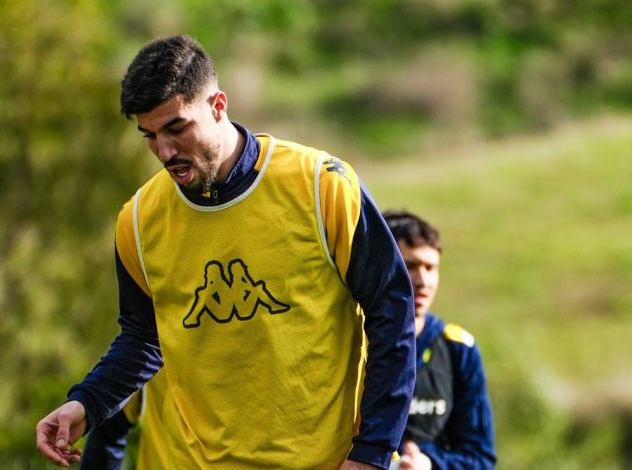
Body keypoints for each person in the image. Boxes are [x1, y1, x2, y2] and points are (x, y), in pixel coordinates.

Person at [35, 33, 416, 470]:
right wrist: (86, 403)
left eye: (177, 128)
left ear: (218, 106)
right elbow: (143, 338)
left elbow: (391, 307)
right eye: (149, 136)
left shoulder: (321, 184)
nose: (165, 151)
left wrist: (372, 452)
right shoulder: (138, 222)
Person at [382, 210, 496, 470]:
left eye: (430, 268)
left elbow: (480, 458)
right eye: (410, 266)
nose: (423, 280)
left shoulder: (458, 350)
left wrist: (429, 464)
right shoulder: (352, 344)